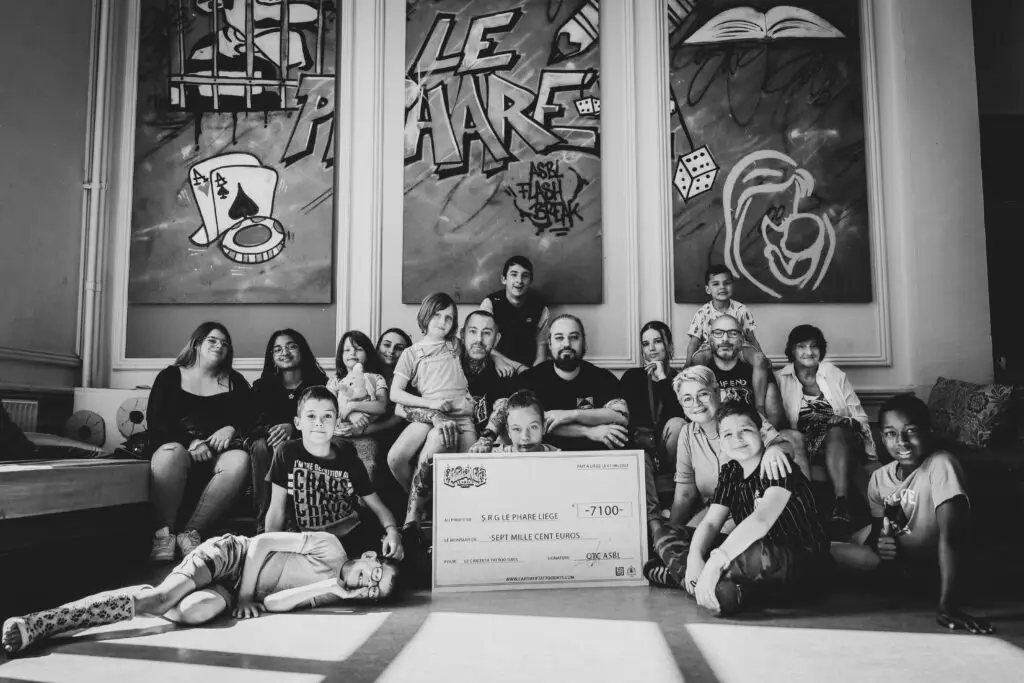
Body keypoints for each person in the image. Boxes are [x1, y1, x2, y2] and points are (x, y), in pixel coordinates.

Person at [1, 530, 399, 655]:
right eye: (375, 573)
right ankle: (42, 622)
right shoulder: (330, 546)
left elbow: (273, 604)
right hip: (232, 556)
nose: (368, 583)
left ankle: (146, 595)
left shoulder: (333, 594)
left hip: (230, 591)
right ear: (369, 556)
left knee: (194, 612)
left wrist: (332, 587)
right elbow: (261, 543)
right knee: (161, 601)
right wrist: (244, 597)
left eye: (374, 591)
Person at [832, 395, 994, 634]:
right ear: (882, 438)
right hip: (896, 560)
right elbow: (878, 531)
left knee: (841, 554)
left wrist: (948, 606)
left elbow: (952, 538)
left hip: (925, 564)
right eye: (891, 433)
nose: (902, 442)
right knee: (825, 550)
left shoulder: (941, 465)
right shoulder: (879, 478)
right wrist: (881, 543)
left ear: (928, 432)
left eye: (911, 431)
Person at [642, 365, 807, 589]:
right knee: (666, 540)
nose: (696, 403)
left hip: (748, 513)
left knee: (747, 554)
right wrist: (673, 536)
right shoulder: (688, 434)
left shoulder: (737, 418)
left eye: (702, 394)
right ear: (681, 404)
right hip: (714, 513)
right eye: (687, 399)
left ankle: (690, 577)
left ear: (717, 392)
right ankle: (702, 580)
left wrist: (774, 448)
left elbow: (784, 447)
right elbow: (685, 495)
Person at [688, 401, 831, 616]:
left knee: (756, 552)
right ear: (721, 443)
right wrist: (694, 558)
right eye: (727, 434)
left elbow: (762, 519)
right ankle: (713, 585)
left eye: (745, 430)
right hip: (752, 560)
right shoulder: (731, 472)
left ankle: (713, 585)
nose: (737, 439)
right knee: (678, 536)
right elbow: (710, 522)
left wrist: (715, 561)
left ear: (762, 434)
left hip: (798, 560)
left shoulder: (777, 463)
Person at [147, 322, 253, 562]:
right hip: (177, 448)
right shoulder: (170, 376)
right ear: (196, 344)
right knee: (169, 453)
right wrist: (192, 442)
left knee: (240, 460)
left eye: (224, 343)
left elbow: (250, 416)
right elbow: (156, 420)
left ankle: (191, 533)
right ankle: (164, 535)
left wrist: (231, 428)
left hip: (218, 454)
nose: (219, 346)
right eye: (212, 340)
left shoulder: (234, 380)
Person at [265, 386, 404, 562]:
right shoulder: (287, 452)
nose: (319, 423)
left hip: (352, 535)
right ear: (298, 423)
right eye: (311, 416)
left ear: (337, 422)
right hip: (308, 543)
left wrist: (392, 531)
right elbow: (276, 509)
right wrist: (270, 551)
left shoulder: (346, 454)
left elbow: (377, 505)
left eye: (327, 416)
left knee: (395, 561)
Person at [472, 314, 629, 452]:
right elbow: (505, 410)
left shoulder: (601, 377)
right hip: (544, 460)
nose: (567, 344)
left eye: (574, 337)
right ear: (550, 343)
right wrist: (589, 431)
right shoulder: (531, 378)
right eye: (559, 338)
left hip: (593, 461)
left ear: (584, 342)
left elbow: (621, 416)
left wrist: (569, 414)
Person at [777, 324, 877, 533]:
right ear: (792, 350)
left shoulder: (833, 374)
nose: (809, 352)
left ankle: (841, 503)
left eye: (814, 346)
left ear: (821, 350)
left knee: (836, 430)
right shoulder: (780, 379)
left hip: (841, 439)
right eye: (801, 346)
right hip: (804, 444)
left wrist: (845, 421)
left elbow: (859, 416)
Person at [387, 293, 479, 490]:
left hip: (462, 418)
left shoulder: (455, 345)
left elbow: (480, 350)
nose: (442, 321)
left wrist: (503, 360)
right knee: (395, 458)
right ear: (426, 315)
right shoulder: (411, 353)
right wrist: (430, 404)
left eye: (448, 317)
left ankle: (432, 500)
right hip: (428, 415)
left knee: (468, 469)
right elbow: (395, 393)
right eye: (437, 315)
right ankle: (417, 498)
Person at [249, 329, 328, 532]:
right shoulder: (261, 387)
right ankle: (263, 525)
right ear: (272, 357)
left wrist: (292, 428)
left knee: (288, 448)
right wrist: (272, 431)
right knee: (260, 446)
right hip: (267, 446)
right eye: (277, 349)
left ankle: (295, 522)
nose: (284, 352)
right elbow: (249, 425)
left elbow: (324, 422)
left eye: (291, 346)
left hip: (306, 445)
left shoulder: (319, 386)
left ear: (302, 351)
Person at [692, 314, 785, 429]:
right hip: (715, 434)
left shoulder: (756, 369)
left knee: (794, 437)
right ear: (710, 339)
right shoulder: (701, 368)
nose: (725, 339)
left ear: (741, 340)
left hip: (754, 433)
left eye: (733, 333)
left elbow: (775, 420)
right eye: (718, 333)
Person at [619, 320, 685, 473]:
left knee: (677, 424)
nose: (651, 348)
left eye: (658, 341)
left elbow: (679, 415)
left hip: (669, 450)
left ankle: (673, 475)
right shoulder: (632, 377)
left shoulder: (680, 380)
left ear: (670, 346)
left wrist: (662, 379)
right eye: (646, 344)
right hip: (639, 447)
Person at [327, 330, 391, 484]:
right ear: (341, 356)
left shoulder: (376, 378)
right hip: (338, 434)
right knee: (333, 466)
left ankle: (364, 498)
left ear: (367, 354)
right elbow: (328, 408)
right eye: (347, 350)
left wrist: (352, 406)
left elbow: (381, 406)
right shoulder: (336, 381)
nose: (352, 353)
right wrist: (351, 414)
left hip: (365, 435)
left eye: (358, 349)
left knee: (368, 466)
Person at [480, 255, 551, 366]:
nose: (519, 280)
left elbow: (541, 353)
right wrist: (517, 367)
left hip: (529, 367)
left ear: (531, 280)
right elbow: (483, 344)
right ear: (504, 279)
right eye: (514, 275)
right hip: (498, 364)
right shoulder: (490, 303)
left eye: (525, 276)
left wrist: (534, 372)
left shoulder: (541, 308)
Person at [683, 265, 762, 365]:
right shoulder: (702, 313)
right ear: (708, 289)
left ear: (733, 286)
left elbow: (751, 338)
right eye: (716, 284)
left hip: (738, 348)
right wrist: (687, 363)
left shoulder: (742, 310)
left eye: (727, 283)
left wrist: (762, 357)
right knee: (698, 359)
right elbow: (694, 342)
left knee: (758, 358)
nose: (722, 287)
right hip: (710, 348)